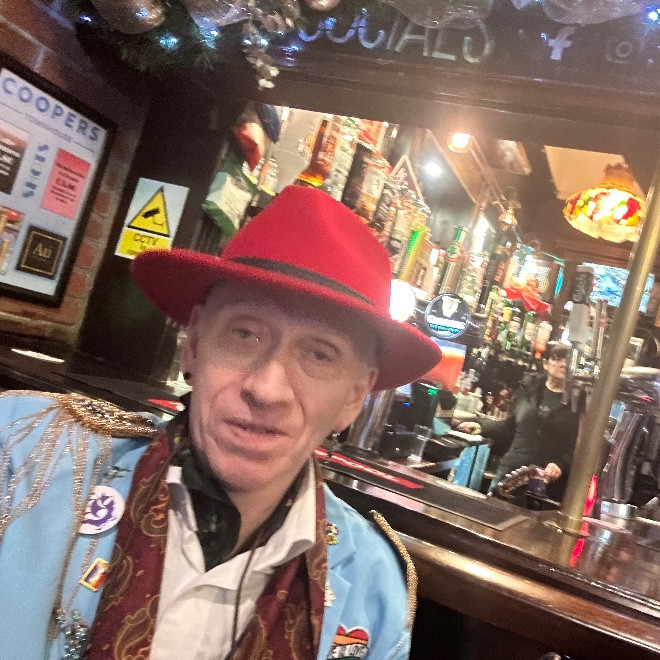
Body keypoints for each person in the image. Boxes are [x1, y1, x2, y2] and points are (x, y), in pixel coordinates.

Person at [0, 186, 441, 660]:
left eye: (319, 355)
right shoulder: (25, 453)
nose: (266, 389)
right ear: (193, 345)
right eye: (244, 333)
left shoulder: (374, 592)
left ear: (354, 396)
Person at [458, 342, 579, 501]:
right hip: (510, 473)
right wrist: (481, 426)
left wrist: (560, 465)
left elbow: (579, 447)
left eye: (567, 361)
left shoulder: (578, 403)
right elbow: (510, 427)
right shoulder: (529, 389)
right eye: (557, 358)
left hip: (544, 483)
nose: (563, 364)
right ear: (545, 363)